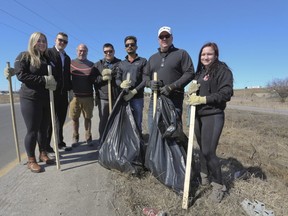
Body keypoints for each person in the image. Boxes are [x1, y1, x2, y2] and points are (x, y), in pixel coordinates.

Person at [186, 42, 234, 202]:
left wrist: (202, 98)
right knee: (202, 149)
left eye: (209, 54)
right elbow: (193, 92)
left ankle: (219, 185)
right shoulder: (199, 73)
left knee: (209, 151)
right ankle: (204, 176)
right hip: (198, 116)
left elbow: (226, 93)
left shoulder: (223, 71)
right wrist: (190, 93)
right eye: (203, 54)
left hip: (213, 115)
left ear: (216, 55)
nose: (205, 57)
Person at [3, 32, 56, 173]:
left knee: (44, 129)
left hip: (46, 97)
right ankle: (31, 160)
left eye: (44, 41)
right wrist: (43, 80)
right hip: (30, 98)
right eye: (39, 41)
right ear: (33, 42)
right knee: (32, 130)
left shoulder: (47, 59)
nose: (42, 43)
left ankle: (43, 153)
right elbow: (21, 75)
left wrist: (53, 82)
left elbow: (53, 76)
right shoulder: (24, 56)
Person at [145, 26, 195, 132]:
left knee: (172, 131)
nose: (164, 39)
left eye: (167, 36)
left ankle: (173, 149)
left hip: (174, 99)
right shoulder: (152, 58)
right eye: (161, 36)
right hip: (155, 98)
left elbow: (190, 73)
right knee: (153, 130)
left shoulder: (181, 54)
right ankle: (155, 149)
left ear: (172, 38)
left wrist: (172, 87)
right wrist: (150, 83)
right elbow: (145, 76)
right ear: (158, 39)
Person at [46, 32, 72, 155]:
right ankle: (46, 146)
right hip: (51, 92)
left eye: (65, 41)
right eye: (60, 40)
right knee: (49, 120)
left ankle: (60, 142)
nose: (62, 43)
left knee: (60, 120)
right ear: (55, 40)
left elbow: (67, 75)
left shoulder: (67, 58)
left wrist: (70, 89)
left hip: (63, 93)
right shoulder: (48, 53)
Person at [116, 36, 147, 132]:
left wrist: (134, 91)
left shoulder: (143, 61)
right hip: (124, 98)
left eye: (132, 45)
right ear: (125, 48)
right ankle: (128, 144)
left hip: (137, 98)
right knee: (125, 122)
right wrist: (121, 84)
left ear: (136, 47)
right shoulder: (121, 64)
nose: (129, 46)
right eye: (127, 45)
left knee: (137, 122)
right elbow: (117, 78)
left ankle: (138, 144)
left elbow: (145, 79)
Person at [70, 44, 98, 146]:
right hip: (75, 97)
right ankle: (75, 136)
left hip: (88, 96)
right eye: (80, 50)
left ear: (87, 52)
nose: (82, 52)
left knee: (88, 118)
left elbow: (95, 80)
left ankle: (88, 137)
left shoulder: (92, 65)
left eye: (84, 51)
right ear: (76, 51)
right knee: (74, 118)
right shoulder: (71, 63)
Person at [94, 43, 121, 140]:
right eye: (106, 52)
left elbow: (122, 76)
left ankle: (115, 141)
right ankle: (103, 141)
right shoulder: (98, 64)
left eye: (110, 51)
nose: (108, 53)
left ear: (114, 51)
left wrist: (113, 74)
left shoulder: (120, 63)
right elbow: (93, 79)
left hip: (116, 97)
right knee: (104, 121)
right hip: (103, 98)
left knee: (116, 120)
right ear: (103, 52)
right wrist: (102, 78)